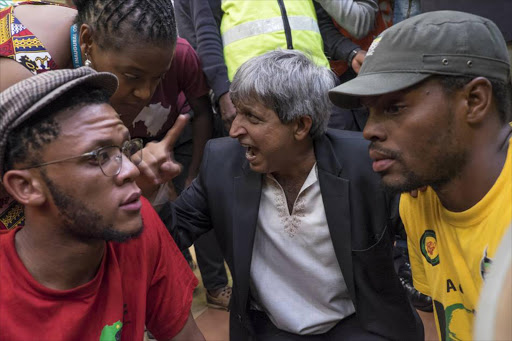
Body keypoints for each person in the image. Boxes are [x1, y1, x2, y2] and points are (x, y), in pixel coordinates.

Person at [160, 49, 423, 340]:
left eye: (252, 117)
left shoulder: (366, 163)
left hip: (359, 324)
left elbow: (423, 230)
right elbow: (169, 239)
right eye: (236, 114)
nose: (234, 130)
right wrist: (154, 193)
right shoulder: (222, 164)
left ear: (300, 125)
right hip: (269, 329)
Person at [329, 10, 512, 340]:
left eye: (394, 107)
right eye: (369, 112)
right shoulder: (419, 197)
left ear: (474, 100)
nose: (368, 130)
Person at [0, 67, 204, 340]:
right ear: (26, 187)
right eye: (98, 156)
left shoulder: (136, 226)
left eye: (123, 149)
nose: (131, 170)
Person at [0, 0, 200, 229]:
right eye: (133, 76)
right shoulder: (25, 75)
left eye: (158, 78)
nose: (145, 94)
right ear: (87, 41)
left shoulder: (104, 31)